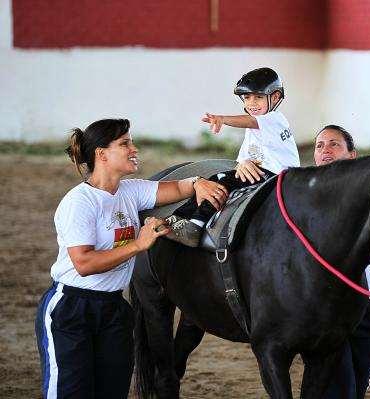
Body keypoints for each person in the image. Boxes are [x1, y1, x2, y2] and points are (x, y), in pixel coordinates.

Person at [34, 118, 226, 399]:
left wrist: (198, 183)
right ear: (102, 154)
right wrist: (139, 245)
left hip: (113, 308)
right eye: (125, 144)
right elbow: (84, 264)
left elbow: (177, 188)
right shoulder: (79, 203)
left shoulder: (130, 191)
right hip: (72, 309)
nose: (134, 149)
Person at [164, 66, 300, 247]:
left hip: (276, 176)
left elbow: (250, 121)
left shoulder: (275, 119)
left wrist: (223, 119)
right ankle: (178, 218)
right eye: (247, 97)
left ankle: (195, 225)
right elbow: (243, 158)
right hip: (263, 172)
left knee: (221, 182)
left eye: (258, 97)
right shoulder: (257, 128)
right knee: (215, 179)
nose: (251, 103)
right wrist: (243, 163)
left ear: (275, 97)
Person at [314, 125, 370, 399]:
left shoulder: (369, 196)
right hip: (328, 312)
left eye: (333, 144)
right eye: (320, 145)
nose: (325, 150)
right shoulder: (305, 199)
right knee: (339, 388)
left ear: (351, 155)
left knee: (357, 384)